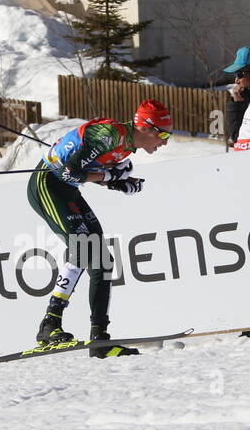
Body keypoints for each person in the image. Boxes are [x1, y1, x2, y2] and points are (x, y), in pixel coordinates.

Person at [28, 100, 172, 357]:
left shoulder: (125, 147)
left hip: (67, 190)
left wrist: (117, 183)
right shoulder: (110, 135)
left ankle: (100, 339)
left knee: (102, 262)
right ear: (146, 128)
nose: (165, 142)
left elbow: (86, 172)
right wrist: (109, 178)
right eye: (163, 134)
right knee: (84, 251)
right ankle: (49, 325)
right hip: (47, 185)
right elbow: (69, 173)